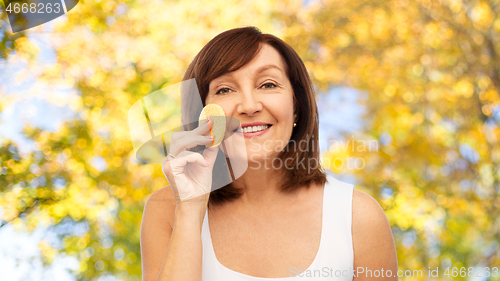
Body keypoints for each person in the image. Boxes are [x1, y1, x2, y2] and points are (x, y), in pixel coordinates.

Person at [140, 26, 398, 281]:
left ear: (297, 107)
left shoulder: (358, 217)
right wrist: (190, 209)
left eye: (268, 84)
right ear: (202, 113)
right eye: (225, 90)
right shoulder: (167, 211)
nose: (249, 106)